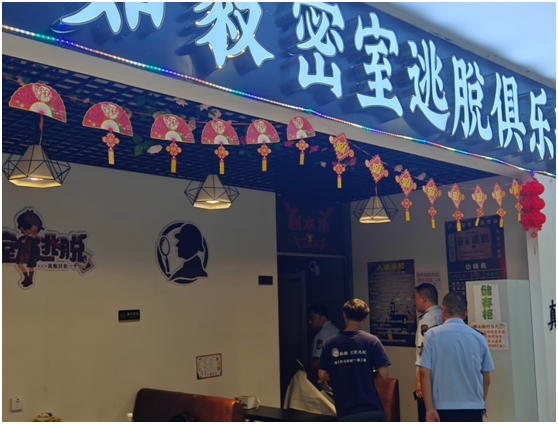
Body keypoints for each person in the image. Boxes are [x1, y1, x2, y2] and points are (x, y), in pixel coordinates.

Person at [417, 292, 494, 422]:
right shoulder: (479, 337)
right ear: (466, 313)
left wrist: (429, 408)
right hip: (473, 408)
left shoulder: (431, 335)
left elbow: (424, 372)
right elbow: (486, 379)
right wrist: (479, 403)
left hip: (441, 408)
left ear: (443, 310)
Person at [318, 299, 391, 421]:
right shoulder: (372, 341)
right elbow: (384, 374)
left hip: (346, 412)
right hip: (373, 409)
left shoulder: (330, 343)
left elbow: (322, 374)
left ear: (344, 315)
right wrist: (366, 375)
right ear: (364, 318)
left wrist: (341, 375)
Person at [414, 283, 444, 421]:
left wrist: (419, 381)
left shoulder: (426, 319)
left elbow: (423, 351)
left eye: (415, 298)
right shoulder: (443, 315)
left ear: (423, 299)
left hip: (428, 379)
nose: (414, 302)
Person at [15, 210, 44, 289]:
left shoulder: (33, 241)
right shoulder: (22, 238)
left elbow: (36, 249)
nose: (34, 233)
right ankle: (26, 277)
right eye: (32, 230)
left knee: (30, 267)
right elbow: (16, 246)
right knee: (20, 265)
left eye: (36, 231)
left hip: (31, 255)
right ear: (23, 229)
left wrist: (36, 257)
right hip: (22, 253)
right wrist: (21, 242)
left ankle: (30, 279)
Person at [308, 304, 339, 372]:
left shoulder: (322, 334)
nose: (309, 321)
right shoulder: (335, 330)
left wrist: (307, 369)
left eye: (312, 318)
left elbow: (318, 361)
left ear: (323, 318)